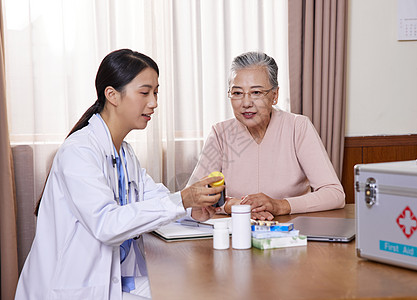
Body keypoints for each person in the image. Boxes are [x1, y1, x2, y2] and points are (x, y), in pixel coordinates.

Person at [15, 49, 224, 300]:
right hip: (73, 288)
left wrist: (193, 207)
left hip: (113, 279)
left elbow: (154, 197)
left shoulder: (124, 152)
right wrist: (182, 200)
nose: (154, 102)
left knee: (199, 286)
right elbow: (107, 224)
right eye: (145, 92)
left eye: (156, 92)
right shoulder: (79, 151)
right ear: (112, 95)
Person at [188, 51, 345, 220]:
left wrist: (280, 205)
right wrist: (232, 205)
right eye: (237, 93)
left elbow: (334, 194)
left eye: (256, 92)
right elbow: (192, 199)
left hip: (291, 230)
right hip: (236, 231)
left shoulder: (298, 127)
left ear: (274, 95)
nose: (246, 103)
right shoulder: (220, 133)